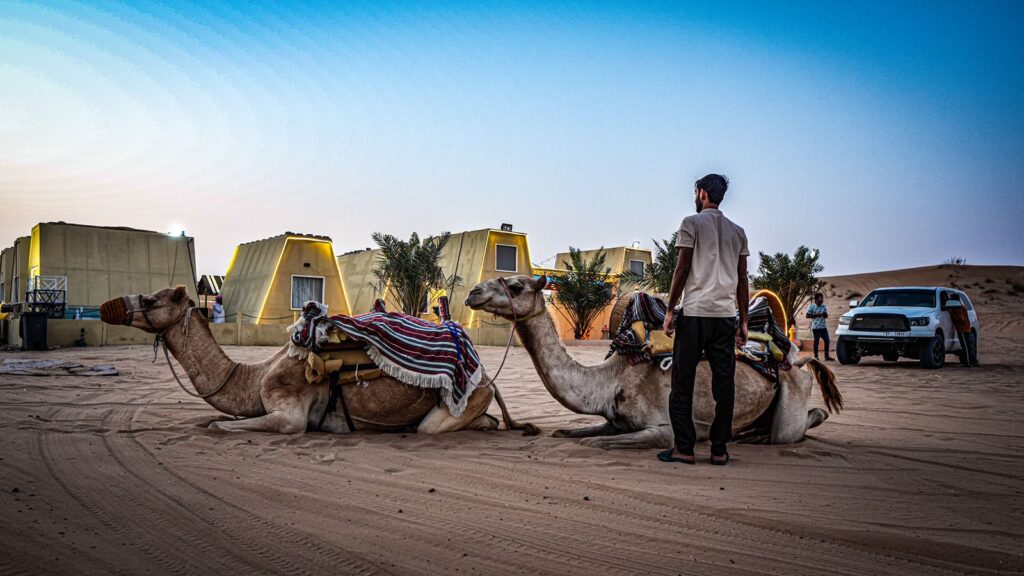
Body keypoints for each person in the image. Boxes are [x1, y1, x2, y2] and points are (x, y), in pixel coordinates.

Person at [658, 174, 749, 466]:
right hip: (725, 317)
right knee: (724, 386)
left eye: (696, 191)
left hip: (695, 314)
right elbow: (743, 280)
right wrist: (744, 321)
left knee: (682, 383)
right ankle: (719, 449)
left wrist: (670, 309)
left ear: (702, 193)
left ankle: (684, 448)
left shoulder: (691, 223)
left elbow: (682, 269)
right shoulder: (738, 231)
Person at [948, 293, 978, 367]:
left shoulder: (958, 308)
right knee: (967, 346)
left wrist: (952, 313)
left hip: (963, 329)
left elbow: (961, 318)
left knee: (965, 347)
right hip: (965, 329)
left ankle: (967, 363)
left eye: (951, 299)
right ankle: (973, 361)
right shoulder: (961, 306)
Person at [806, 293, 833, 361]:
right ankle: (816, 356)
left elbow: (826, 316)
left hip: (823, 327)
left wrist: (825, 315)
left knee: (827, 341)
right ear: (816, 299)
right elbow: (807, 315)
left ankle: (826, 356)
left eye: (822, 298)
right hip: (816, 328)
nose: (822, 299)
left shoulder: (823, 306)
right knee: (816, 342)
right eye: (820, 298)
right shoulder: (811, 306)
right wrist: (816, 315)